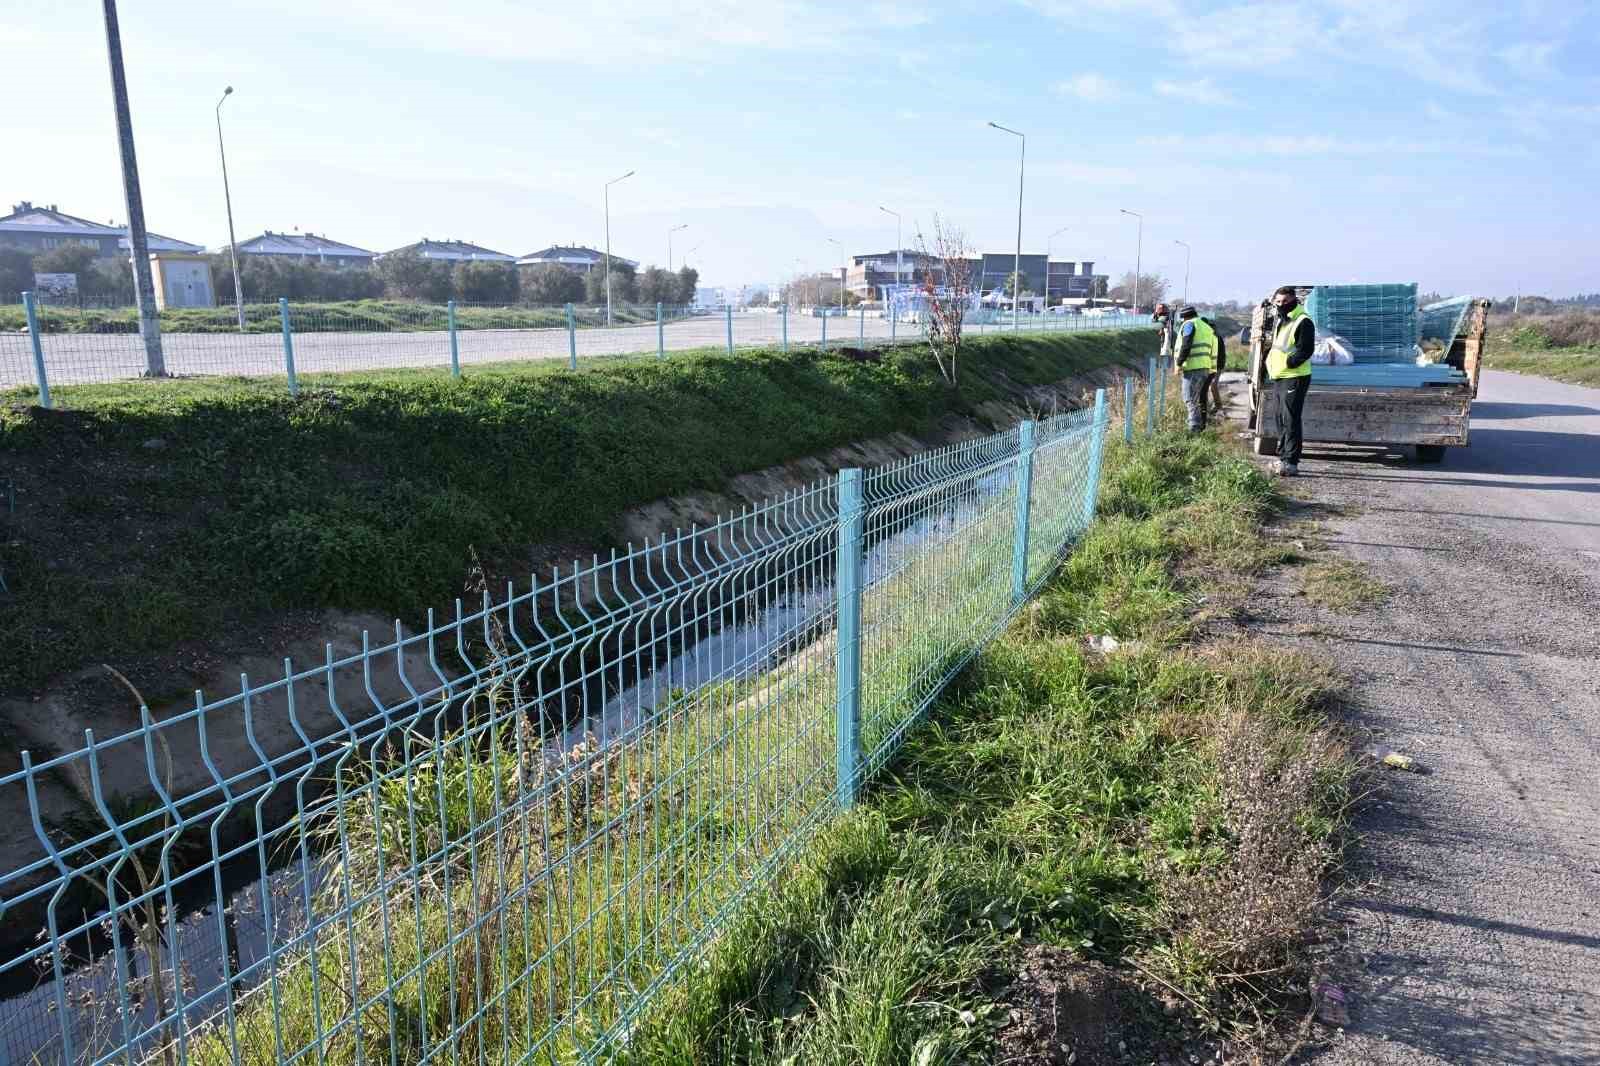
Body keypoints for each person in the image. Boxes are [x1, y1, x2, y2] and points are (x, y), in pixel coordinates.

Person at [1267, 285, 1314, 475]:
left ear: (1294, 300)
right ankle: (1283, 458)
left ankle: (1291, 462)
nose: (1281, 304)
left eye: (1285, 301)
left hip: (1295, 376)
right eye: (1278, 301)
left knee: (1291, 419)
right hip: (1280, 376)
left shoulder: (1302, 320)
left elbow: (1306, 349)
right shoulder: (1283, 320)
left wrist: (1290, 362)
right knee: (1280, 419)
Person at [1171, 305, 1217, 432]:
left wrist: (1179, 363)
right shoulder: (1205, 326)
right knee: (1197, 398)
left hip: (1193, 367)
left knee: (1189, 398)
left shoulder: (1189, 324)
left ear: (1184, 317)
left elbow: (1186, 344)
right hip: (1204, 367)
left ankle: (1194, 428)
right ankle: (1199, 426)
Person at [1203, 313, 1227, 416]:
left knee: (1212, 385)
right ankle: (1212, 407)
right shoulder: (1214, 337)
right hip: (1214, 365)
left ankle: (1218, 407)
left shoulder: (1215, 338)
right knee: (1210, 386)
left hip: (1217, 366)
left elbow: (1217, 355)